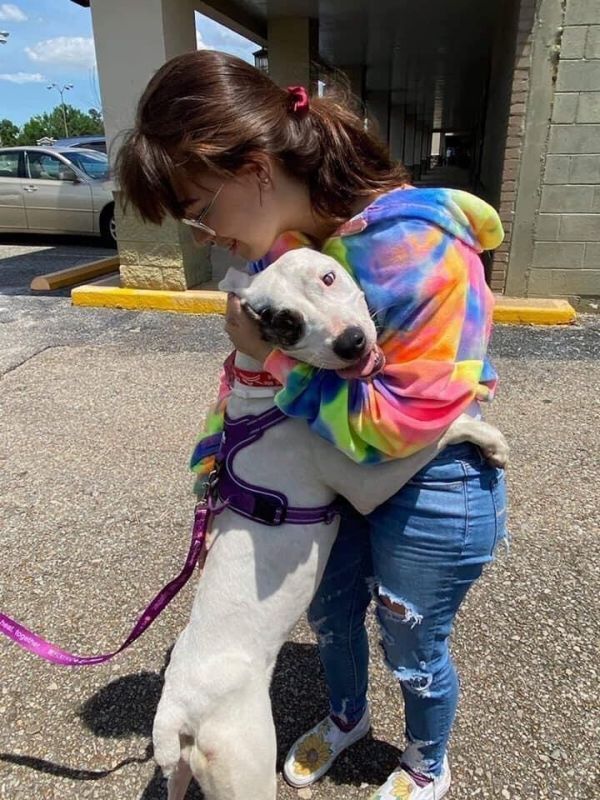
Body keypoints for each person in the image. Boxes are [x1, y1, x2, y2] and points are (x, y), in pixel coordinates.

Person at [117, 50, 508, 800]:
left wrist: (270, 359)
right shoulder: (301, 251)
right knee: (332, 620)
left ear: (254, 169)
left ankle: (428, 763)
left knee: (413, 649)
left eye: (199, 209)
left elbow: (403, 421)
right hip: (344, 476)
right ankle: (348, 718)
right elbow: (254, 395)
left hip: (431, 484)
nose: (201, 234)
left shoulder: (411, 242)